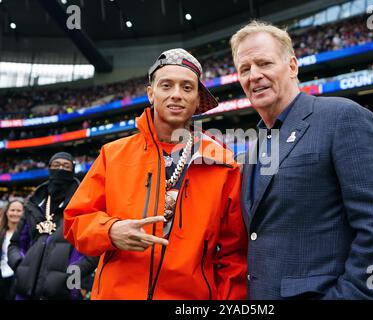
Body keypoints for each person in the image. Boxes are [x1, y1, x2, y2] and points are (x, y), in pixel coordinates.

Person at [230, 21, 373, 299]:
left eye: (264, 63)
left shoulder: (343, 118)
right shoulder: (256, 145)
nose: (254, 75)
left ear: (292, 66)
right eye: (245, 69)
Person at [64, 48, 247, 300]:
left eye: (186, 87)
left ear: (197, 100)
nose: (176, 95)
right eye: (166, 85)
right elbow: (75, 221)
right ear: (151, 93)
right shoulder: (112, 154)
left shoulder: (224, 164)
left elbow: (233, 256)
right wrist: (110, 231)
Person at [7, 152, 98, 300]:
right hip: (24, 290)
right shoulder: (33, 205)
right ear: (49, 168)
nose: (60, 169)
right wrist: (20, 266)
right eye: (56, 165)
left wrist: (70, 279)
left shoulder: (83, 206)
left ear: (73, 170)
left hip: (62, 294)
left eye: (66, 166)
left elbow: (92, 252)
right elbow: (15, 244)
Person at [0, 200, 24, 299]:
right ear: (7, 212)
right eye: (12, 210)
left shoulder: (26, 235)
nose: (15, 213)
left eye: (19, 211)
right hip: (2, 278)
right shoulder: (2, 233)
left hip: (19, 278)